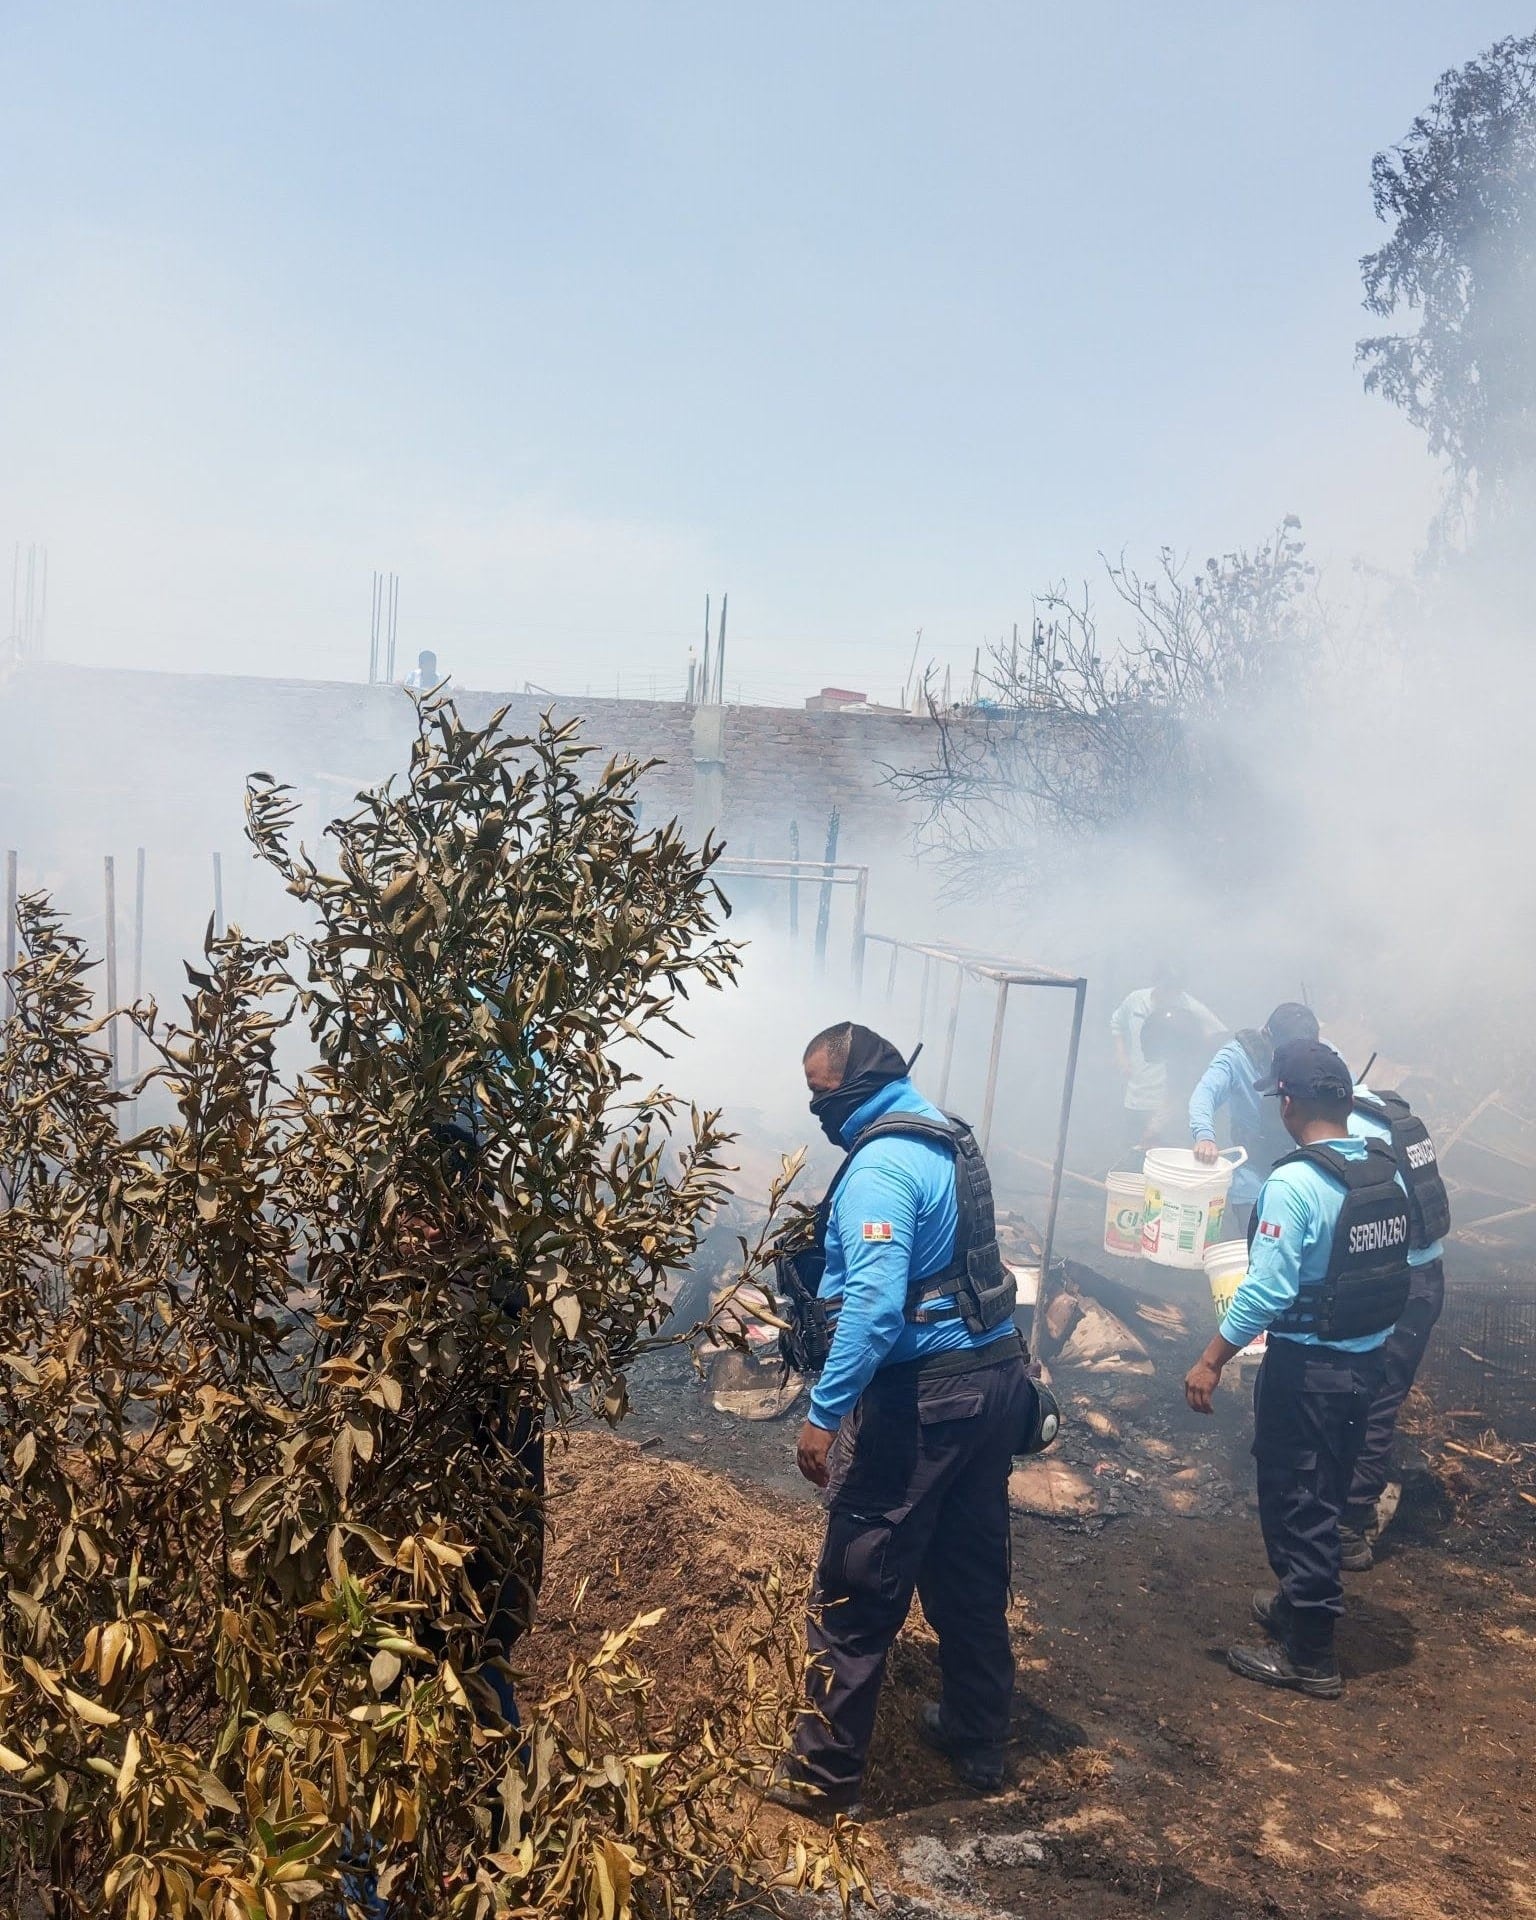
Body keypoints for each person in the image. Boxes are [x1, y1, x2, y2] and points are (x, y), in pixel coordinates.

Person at [766, 1021, 1038, 1817]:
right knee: (969, 1569)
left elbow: (878, 1309)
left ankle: (821, 1782)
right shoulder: (945, 1135)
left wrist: (825, 1412)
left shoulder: (882, 1165)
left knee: (856, 1584)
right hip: (995, 1383)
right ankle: (978, 1735)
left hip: (927, 1399)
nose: (816, 1108)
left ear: (851, 1086)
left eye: (821, 1093)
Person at [1183, 1040, 1411, 1698]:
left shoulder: (1295, 1182)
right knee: (1326, 1490)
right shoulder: (1380, 1171)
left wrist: (1210, 1358)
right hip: (1364, 1366)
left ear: (1290, 1103)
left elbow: (1268, 1292)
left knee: (1296, 1501)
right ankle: (1295, 1602)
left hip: (1308, 1371)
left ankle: (1310, 1653)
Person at [1340, 1080, 1451, 1569]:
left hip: (1394, 1282)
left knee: (1371, 1401)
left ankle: (1349, 1525)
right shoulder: (1395, 1113)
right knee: (1377, 1397)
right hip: (1425, 1274)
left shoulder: (1352, 1129)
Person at [1189, 1001, 1320, 1228]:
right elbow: (1205, 1094)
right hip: (1253, 1177)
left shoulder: (1322, 1054)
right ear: (1267, 1037)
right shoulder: (1237, 1056)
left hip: (1304, 1174)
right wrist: (1205, 1136)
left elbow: (1351, 1094)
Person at [1109, 966, 1224, 1159]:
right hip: (1136, 1089)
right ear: (1156, 983)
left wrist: (1154, 1128)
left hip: (1165, 1095)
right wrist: (1121, 1055)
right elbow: (1116, 1022)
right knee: (1133, 1147)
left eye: (1174, 989)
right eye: (1165, 988)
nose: (1169, 994)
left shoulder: (1188, 1010)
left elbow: (1217, 1033)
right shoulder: (1136, 1000)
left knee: (1162, 1151)